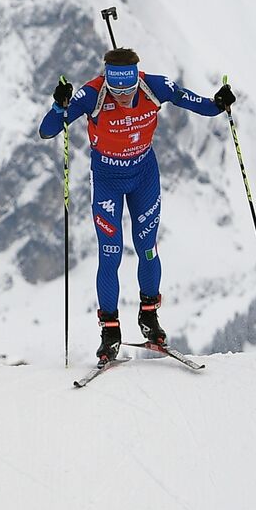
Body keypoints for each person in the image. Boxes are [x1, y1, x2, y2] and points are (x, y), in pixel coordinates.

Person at [39, 48, 235, 359]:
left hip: (144, 174)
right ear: (106, 81)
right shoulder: (91, 95)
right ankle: (110, 330)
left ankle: (149, 316)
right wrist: (58, 103)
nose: (123, 98)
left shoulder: (155, 86)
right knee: (110, 254)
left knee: (147, 246)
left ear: (136, 80)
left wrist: (220, 102)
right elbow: (47, 130)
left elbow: (200, 105)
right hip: (107, 179)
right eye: (116, 91)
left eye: (128, 90)